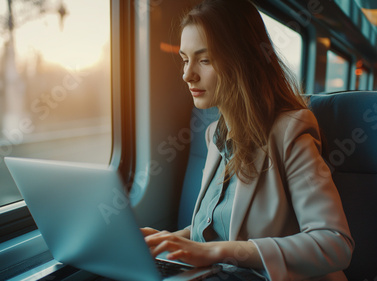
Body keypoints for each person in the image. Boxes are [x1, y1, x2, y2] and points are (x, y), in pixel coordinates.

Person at [142, 0, 354, 280]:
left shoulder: (291, 130)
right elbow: (218, 228)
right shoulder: (214, 135)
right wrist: (169, 241)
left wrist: (217, 252)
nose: (187, 74)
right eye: (184, 59)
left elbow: (335, 244)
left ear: (242, 61)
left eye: (204, 60)